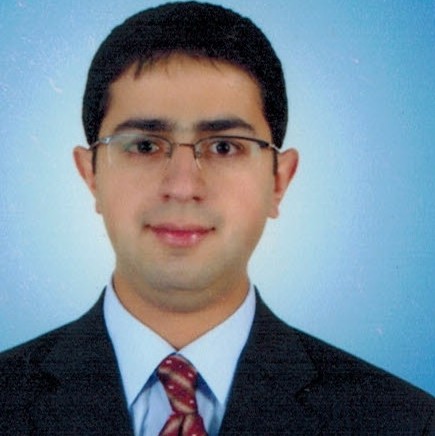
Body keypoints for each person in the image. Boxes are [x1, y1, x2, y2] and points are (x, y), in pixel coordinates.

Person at [0, 2, 433, 434]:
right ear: (90, 174)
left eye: (224, 146)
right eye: (145, 146)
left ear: (279, 180)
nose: (182, 186)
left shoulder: (402, 421)